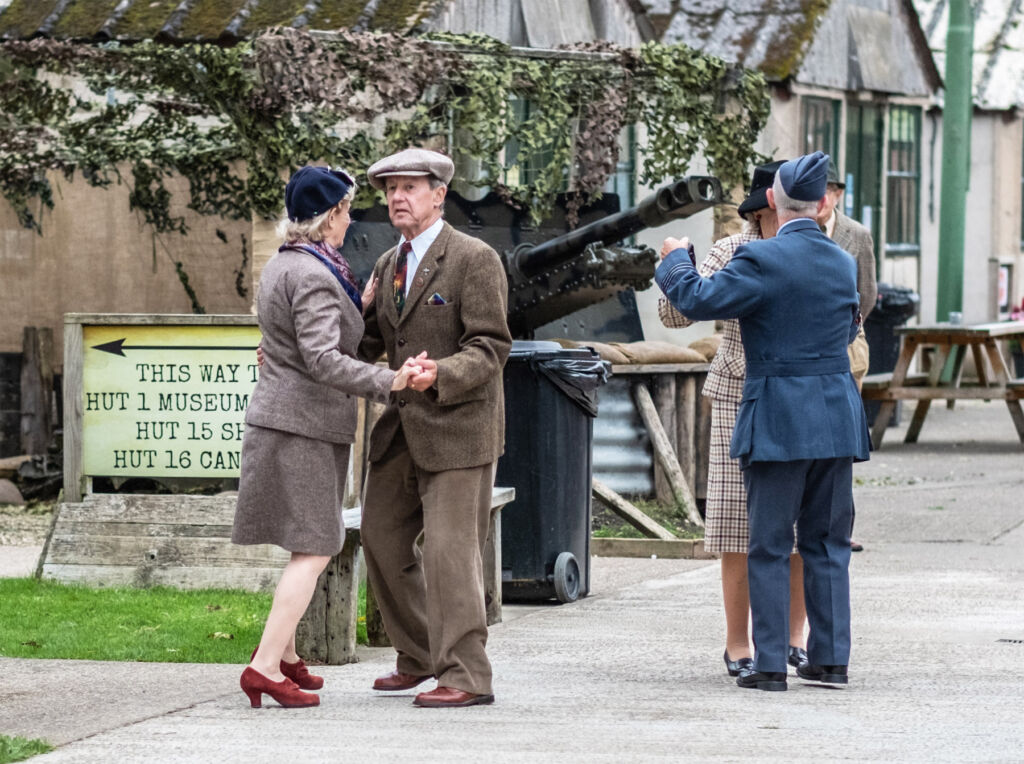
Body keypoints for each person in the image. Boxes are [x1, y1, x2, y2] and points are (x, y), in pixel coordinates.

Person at [656, 152, 870, 692]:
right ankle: (830, 661)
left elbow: (694, 298)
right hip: (836, 417)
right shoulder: (843, 262)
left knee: (770, 543)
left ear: (772, 201)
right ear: (823, 204)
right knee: (826, 543)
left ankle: (770, 663)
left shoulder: (760, 259)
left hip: (777, 417)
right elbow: (849, 329)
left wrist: (676, 258)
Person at [232, 166, 423, 709]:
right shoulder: (315, 274)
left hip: (285, 421)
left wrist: (356, 306)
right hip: (302, 427)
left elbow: (302, 336)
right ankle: (265, 667)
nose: (350, 220)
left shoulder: (289, 264)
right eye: (345, 211)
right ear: (329, 217)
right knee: (317, 546)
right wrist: (391, 380)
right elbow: (320, 358)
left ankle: (286, 656)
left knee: (303, 540)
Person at [357, 148, 513, 708]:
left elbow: (492, 345)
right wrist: (352, 311)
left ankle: (467, 674)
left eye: (410, 188)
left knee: (451, 554)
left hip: (458, 429)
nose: (398, 197)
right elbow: (366, 346)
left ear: (439, 195)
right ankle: (420, 655)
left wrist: (439, 373)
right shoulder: (384, 265)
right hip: (399, 431)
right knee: (379, 538)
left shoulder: (474, 258)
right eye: (391, 189)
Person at [657, 160, 811, 678]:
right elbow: (678, 315)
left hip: (796, 395)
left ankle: (795, 637)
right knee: (735, 525)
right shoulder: (731, 249)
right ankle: (738, 644)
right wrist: (680, 265)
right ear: (770, 204)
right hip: (737, 395)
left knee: (797, 523)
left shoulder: (813, 247)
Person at [817, 158, 877, 553]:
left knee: (841, 439)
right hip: (803, 347)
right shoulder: (790, 229)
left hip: (846, 345)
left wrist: (847, 330)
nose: (819, 200)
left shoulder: (855, 234)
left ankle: (841, 524)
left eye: (827, 191)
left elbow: (867, 293)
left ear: (838, 195)